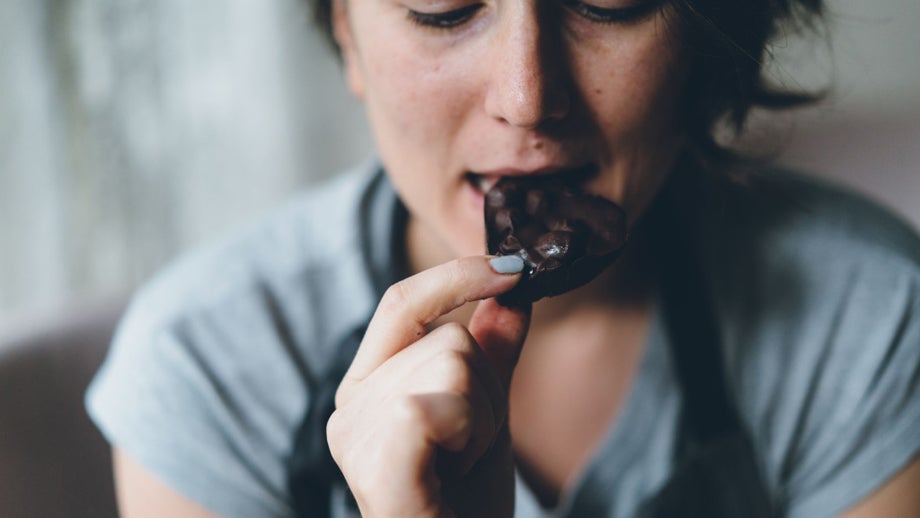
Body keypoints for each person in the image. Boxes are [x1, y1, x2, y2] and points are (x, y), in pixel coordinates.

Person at [86, 0, 920, 516]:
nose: (527, 97)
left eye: (609, 3)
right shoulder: (206, 368)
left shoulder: (870, 319)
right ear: (346, 28)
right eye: (443, 8)